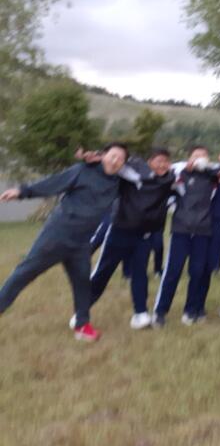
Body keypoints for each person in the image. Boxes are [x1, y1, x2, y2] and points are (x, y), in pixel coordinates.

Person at [0, 143, 132, 341]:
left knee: (82, 284)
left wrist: (99, 155)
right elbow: (53, 183)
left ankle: (82, 326)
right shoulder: (82, 171)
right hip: (57, 236)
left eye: (120, 159)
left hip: (81, 243)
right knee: (25, 272)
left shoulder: (119, 183)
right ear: (104, 155)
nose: (115, 161)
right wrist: (22, 191)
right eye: (112, 155)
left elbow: (142, 172)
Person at [89, 147, 176, 329]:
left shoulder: (168, 180)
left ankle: (140, 313)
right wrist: (97, 158)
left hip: (144, 235)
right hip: (120, 230)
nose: (162, 165)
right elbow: (114, 166)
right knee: (104, 271)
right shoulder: (131, 173)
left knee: (140, 273)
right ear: (149, 162)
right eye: (158, 161)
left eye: (166, 161)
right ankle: (82, 309)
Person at [153, 145, 220, 326]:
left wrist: (215, 166)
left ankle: (190, 311)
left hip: (203, 231)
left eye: (204, 155)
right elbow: (164, 183)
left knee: (197, 272)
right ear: (189, 158)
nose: (200, 158)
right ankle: (160, 311)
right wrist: (185, 170)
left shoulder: (212, 177)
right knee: (173, 271)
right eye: (196, 155)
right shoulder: (180, 175)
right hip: (181, 229)